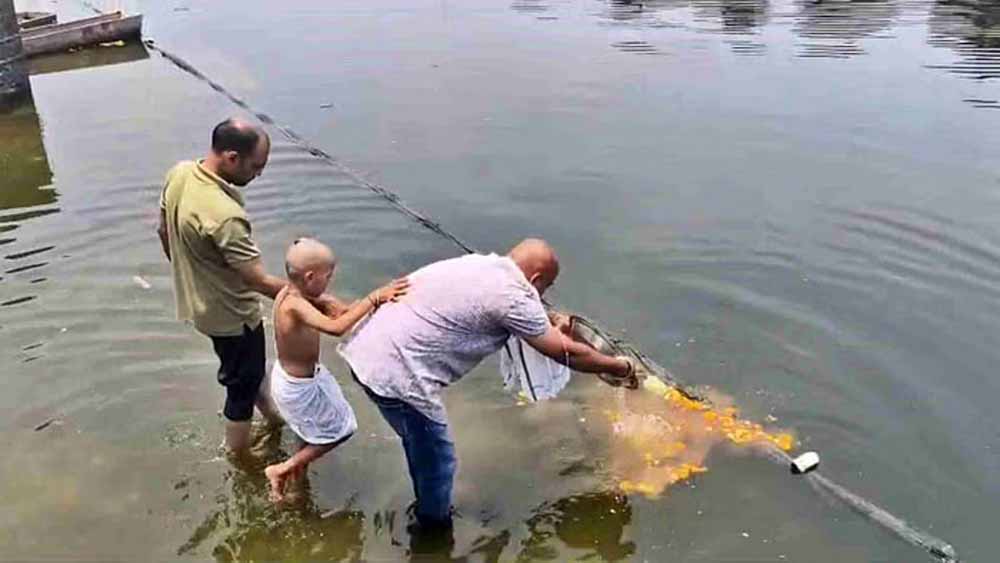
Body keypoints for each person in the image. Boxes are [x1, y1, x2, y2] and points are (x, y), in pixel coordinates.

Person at [340, 238, 635, 529]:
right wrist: (619, 367)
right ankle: (432, 532)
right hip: (396, 376)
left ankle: (429, 508)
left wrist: (546, 321)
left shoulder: (479, 265)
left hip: (365, 350)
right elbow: (563, 352)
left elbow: (494, 308)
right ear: (535, 278)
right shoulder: (512, 296)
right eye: (545, 287)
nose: (543, 295)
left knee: (420, 444)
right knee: (437, 460)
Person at [157, 118, 346, 453]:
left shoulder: (181, 173)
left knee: (247, 371)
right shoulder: (225, 215)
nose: (258, 175)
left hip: (200, 304)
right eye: (256, 167)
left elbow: (162, 231)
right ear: (231, 157)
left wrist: (192, 274)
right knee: (240, 388)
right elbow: (257, 280)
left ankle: (272, 419)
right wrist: (316, 301)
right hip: (232, 316)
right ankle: (239, 456)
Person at [264, 238, 409, 502]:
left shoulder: (297, 294)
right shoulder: (294, 305)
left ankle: (297, 483)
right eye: (327, 277)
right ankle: (281, 470)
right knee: (341, 430)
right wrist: (373, 298)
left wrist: (384, 299)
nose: (329, 283)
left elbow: (343, 312)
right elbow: (336, 327)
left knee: (306, 430)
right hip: (298, 386)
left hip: (296, 378)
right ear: (309, 277)